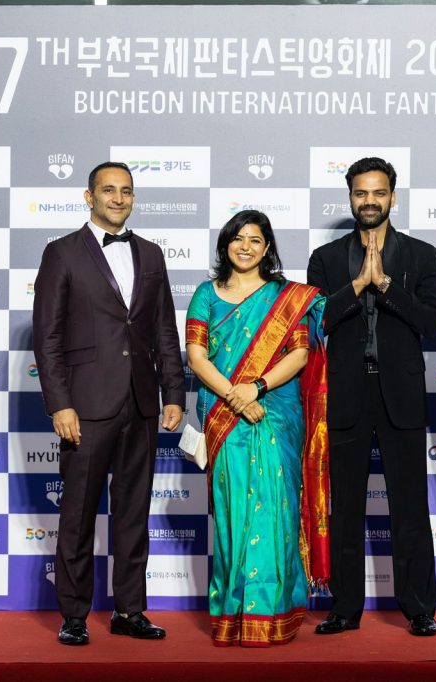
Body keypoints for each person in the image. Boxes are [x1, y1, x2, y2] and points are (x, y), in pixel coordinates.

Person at [33, 161, 185, 646]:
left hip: (141, 402)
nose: (118, 198)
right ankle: (74, 615)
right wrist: (60, 403)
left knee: (133, 514)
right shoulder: (61, 253)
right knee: (77, 514)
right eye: (108, 190)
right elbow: (48, 337)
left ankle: (129, 611)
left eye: (126, 191)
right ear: (89, 196)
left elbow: (164, 329)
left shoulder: (151, 253)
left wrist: (174, 392)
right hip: (85, 406)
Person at [307, 157, 436, 637]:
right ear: (350, 198)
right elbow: (316, 321)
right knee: (344, 507)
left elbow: (432, 322)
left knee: (409, 505)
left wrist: (384, 285)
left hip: (401, 395)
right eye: (361, 194)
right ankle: (344, 608)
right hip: (344, 393)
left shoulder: (422, 256)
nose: (370, 201)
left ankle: (418, 607)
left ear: (393, 197)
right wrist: (357, 285)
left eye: (378, 193)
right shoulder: (324, 260)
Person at [186, 209, 328, 647]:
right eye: (237, 238)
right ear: (225, 244)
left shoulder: (288, 297)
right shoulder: (205, 294)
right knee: (233, 515)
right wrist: (236, 395)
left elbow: (301, 355)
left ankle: (272, 614)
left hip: (276, 412)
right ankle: (232, 616)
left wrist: (257, 387)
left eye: (255, 239)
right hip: (226, 417)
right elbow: (196, 356)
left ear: (267, 248)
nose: (245, 246)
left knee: (276, 511)